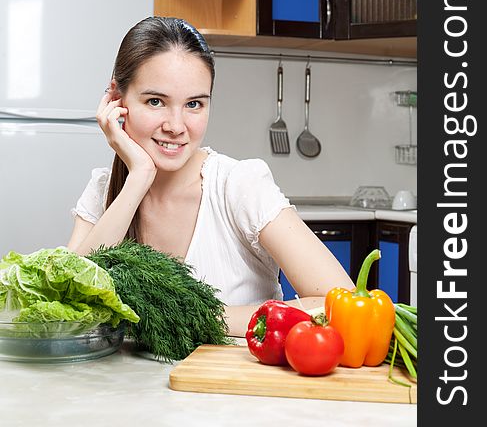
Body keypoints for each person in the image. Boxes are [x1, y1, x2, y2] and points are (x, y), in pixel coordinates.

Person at [67, 17, 354, 336]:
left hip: (232, 384)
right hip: (129, 386)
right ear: (117, 98)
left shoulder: (239, 186)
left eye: (193, 104)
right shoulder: (104, 191)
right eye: (155, 101)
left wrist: (200, 318)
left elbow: (339, 304)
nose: (176, 126)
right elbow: (70, 303)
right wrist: (139, 177)